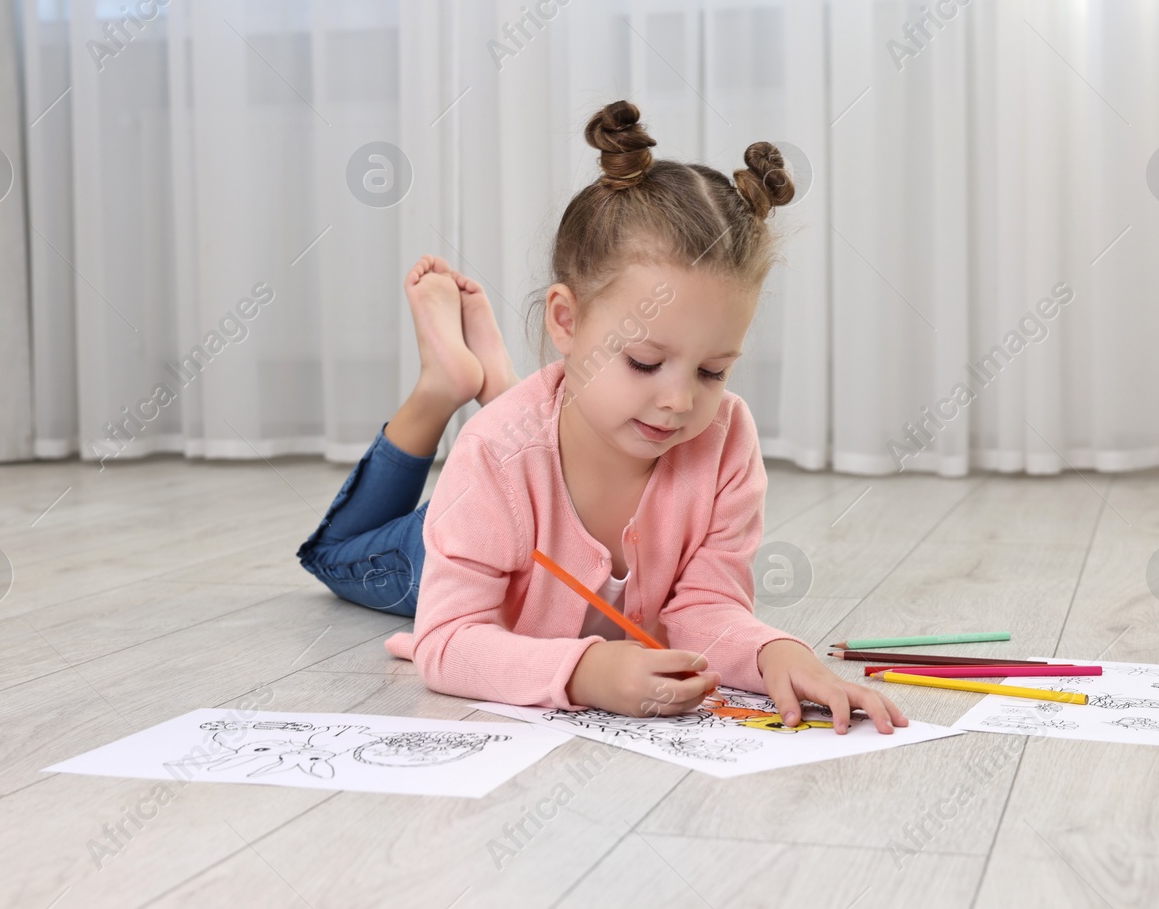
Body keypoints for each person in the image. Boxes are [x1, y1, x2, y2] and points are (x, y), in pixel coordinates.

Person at [297, 100, 906, 734]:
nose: (680, 402)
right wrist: (584, 673)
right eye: (644, 362)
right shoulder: (492, 457)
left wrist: (773, 650)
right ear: (566, 320)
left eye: (712, 371)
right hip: (469, 530)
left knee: (522, 439)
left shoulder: (725, 438)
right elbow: (448, 642)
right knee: (334, 553)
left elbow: (706, 606)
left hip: (521, 480)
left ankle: (504, 388)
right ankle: (444, 386)